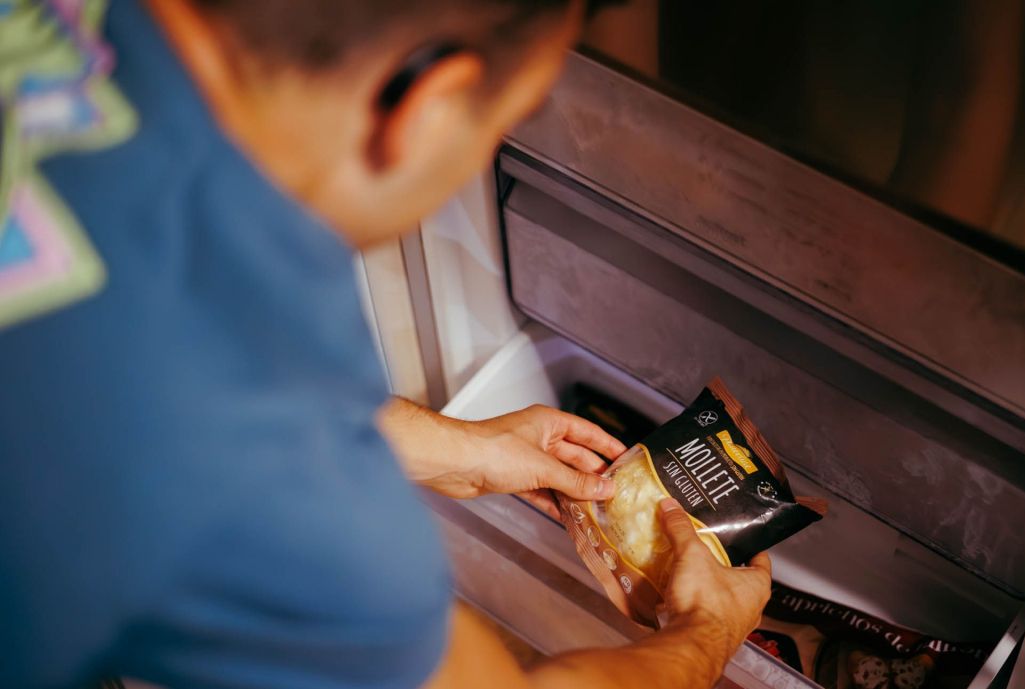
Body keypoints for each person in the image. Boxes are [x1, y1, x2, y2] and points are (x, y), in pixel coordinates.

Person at [0, 1, 772, 688]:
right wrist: (706, 632)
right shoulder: (245, 454)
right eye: (503, 120)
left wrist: (447, 446)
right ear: (431, 108)